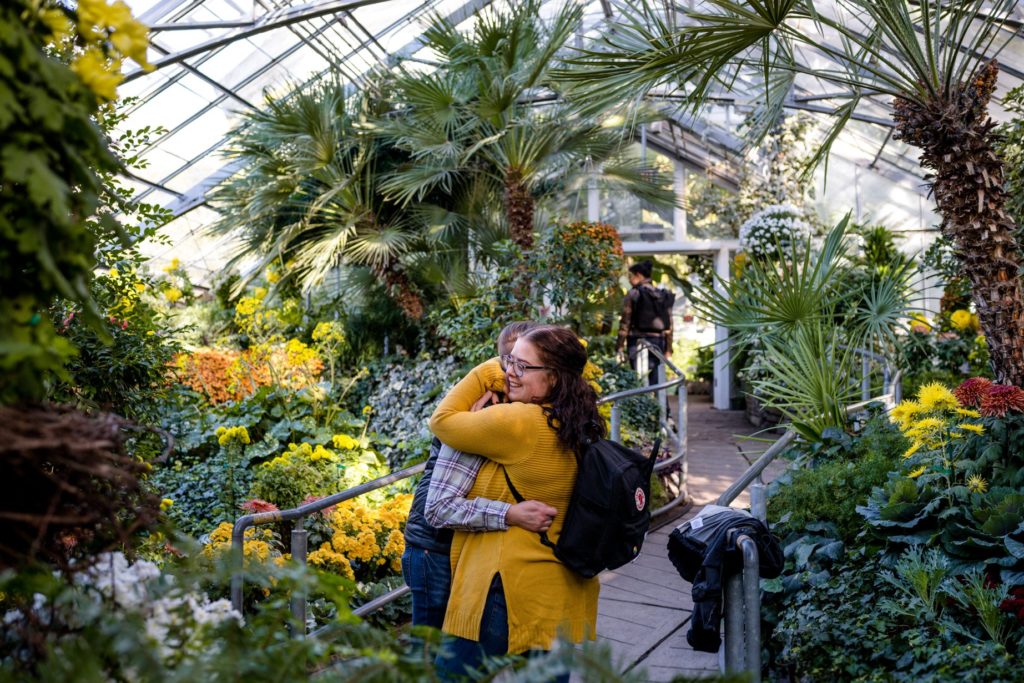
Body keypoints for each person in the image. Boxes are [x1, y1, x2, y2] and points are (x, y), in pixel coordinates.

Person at [428, 325, 605, 682]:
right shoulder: (580, 423)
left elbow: (442, 420)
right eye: (509, 361)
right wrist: (517, 368)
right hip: (558, 586)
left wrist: (488, 370)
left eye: (522, 366)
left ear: (554, 378)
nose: (510, 371)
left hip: (504, 585)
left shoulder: (518, 422)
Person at [401, 322, 554, 633]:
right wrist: (510, 515)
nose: (517, 370)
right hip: (436, 548)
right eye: (515, 362)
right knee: (430, 654)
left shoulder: (519, 412)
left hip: (461, 549)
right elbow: (440, 507)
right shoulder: (483, 411)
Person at [616, 259, 674, 385]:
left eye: (630, 276)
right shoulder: (661, 294)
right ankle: (661, 405)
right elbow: (669, 323)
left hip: (636, 341)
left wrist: (619, 345)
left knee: (638, 378)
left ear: (638, 275)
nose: (630, 280)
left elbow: (625, 322)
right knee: (657, 378)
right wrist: (669, 348)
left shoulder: (633, 293)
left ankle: (641, 403)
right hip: (658, 341)